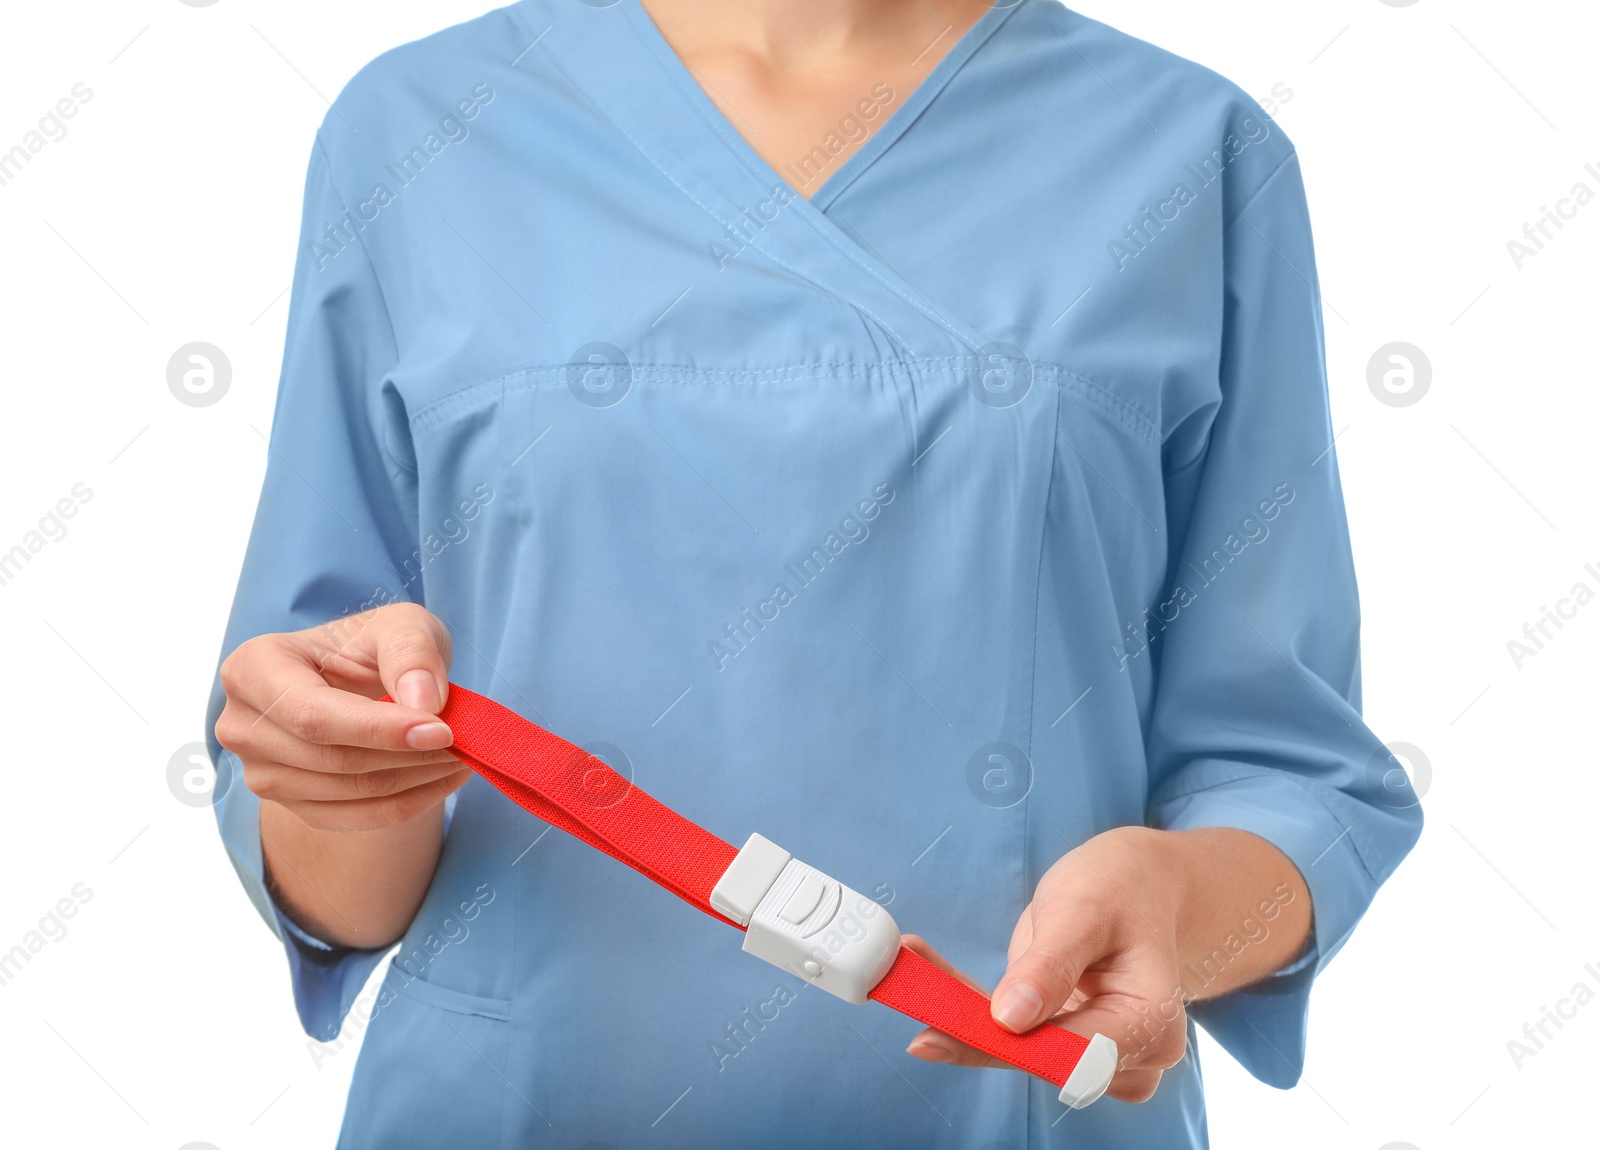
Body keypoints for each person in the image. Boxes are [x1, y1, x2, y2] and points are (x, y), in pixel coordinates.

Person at [207, 0, 1422, 1145]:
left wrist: (1177, 900)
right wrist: (337, 778)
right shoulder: (420, 130)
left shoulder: (1188, 151)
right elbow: (325, 817)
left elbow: (1292, 777)